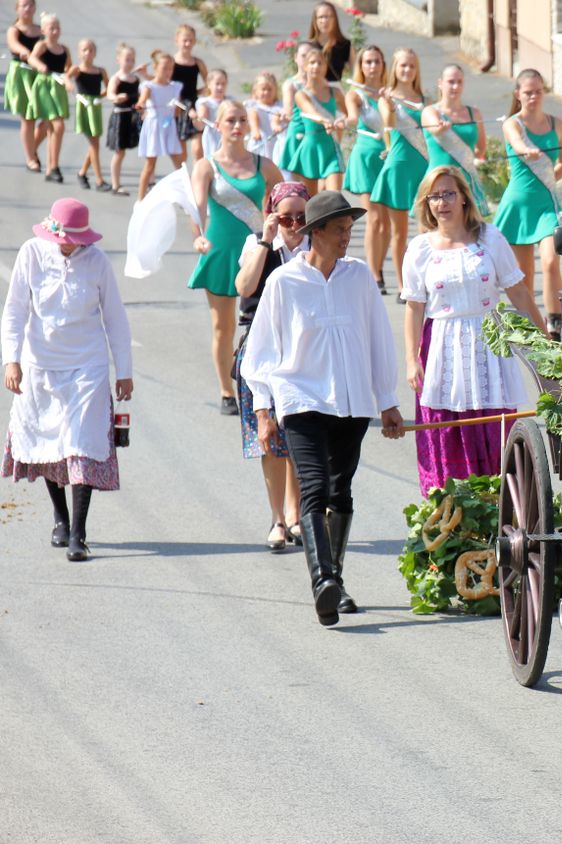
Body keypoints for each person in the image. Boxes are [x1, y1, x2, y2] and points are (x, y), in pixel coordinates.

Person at [242, 191, 403, 626]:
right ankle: (322, 583)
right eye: (339, 230)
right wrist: (262, 412)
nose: (346, 238)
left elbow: (378, 338)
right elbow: (260, 352)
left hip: (351, 403)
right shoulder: (283, 282)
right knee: (313, 488)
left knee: (340, 492)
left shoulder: (359, 278)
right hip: (300, 401)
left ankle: (335, 581)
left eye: (350, 230)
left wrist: (386, 400)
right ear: (315, 233)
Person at [2, 199, 133, 562]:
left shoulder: (97, 262)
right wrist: (11, 361)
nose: (70, 245)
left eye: (76, 240)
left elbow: (115, 318)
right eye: (65, 239)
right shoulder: (32, 253)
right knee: (50, 442)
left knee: (80, 443)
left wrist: (124, 371)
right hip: (41, 365)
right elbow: (14, 309)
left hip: (86, 367)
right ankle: (59, 518)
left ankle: (79, 533)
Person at [403, 166, 545, 496]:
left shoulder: (490, 238)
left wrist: (542, 340)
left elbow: (519, 292)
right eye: (434, 196)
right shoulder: (421, 250)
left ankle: (501, 503)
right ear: (427, 204)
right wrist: (412, 360)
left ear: (464, 198)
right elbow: (414, 307)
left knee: (492, 423)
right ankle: (450, 510)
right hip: (441, 346)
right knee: (447, 425)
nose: (442, 203)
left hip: (488, 345)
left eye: (449, 194)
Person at [188, 100, 283, 415]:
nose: (238, 126)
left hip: (257, 252)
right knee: (223, 326)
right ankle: (227, 390)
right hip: (220, 251)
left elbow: (287, 198)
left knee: (262, 323)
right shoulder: (206, 166)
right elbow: (197, 207)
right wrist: (198, 236)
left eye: (243, 119)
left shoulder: (263, 164)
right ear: (218, 125)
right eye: (230, 120)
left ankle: (262, 386)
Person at [232, 182, 309, 551]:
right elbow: (245, 288)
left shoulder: (316, 247)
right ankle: (278, 518)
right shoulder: (257, 244)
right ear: (272, 215)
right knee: (271, 439)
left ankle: (296, 517)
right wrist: (266, 239)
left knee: (299, 435)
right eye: (286, 217)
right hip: (262, 350)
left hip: (304, 349)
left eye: (301, 217)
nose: (294, 224)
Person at [493, 69, 562, 334]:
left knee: (550, 260)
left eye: (538, 91)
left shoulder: (557, 123)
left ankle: (556, 320)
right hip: (519, 205)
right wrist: (527, 151)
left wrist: (547, 179)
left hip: (546, 203)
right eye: (528, 92)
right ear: (518, 94)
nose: (533, 96)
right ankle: (531, 324)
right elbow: (517, 142)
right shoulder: (512, 123)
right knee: (522, 272)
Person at [370, 47, 427, 304]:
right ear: (395, 69)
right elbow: (389, 124)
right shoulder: (387, 98)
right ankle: (404, 285)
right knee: (400, 232)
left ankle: (425, 280)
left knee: (425, 229)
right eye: (403, 66)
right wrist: (391, 106)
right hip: (398, 167)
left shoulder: (423, 98)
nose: (407, 70)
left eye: (411, 66)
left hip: (422, 166)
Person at [343, 45, 390, 294]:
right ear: (361, 66)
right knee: (374, 217)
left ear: (384, 64)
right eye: (367, 62)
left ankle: (379, 266)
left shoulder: (389, 93)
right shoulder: (356, 94)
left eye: (376, 61)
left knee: (386, 220)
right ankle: (375, 274)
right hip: (367, 156)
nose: (372, 66)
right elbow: (352, 116)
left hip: (389, 156)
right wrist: (345, 121)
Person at [422, 64, 488, 215]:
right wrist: (441, 128)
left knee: (471, 233)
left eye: (459, 82)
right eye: (451, 81)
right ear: (440, 83)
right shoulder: (430, 111)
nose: (455, 86)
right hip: (436, 182)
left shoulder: (474, 114)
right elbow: (434, 128)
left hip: (465, 183)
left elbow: (481, 149)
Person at [284, 48, 345, 194]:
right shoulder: (300, 95)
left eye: (320, 63)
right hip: (310, 148)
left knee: (334, 198)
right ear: (305, 66)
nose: (316, 66)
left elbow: (346, 114)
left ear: (325, 67)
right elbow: (310, 111)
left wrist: (342, 121)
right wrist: (324, 120)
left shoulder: (335, 92)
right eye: (312, 63)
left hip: (330, 148)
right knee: (310, 203)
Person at [135, 51, 185, 200]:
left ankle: (186, 198)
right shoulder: (149, 86)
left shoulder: (175, 87)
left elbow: (177, 111)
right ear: (156, 68)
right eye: (164, 68)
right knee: (150, 164)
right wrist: (140, 105)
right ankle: (140, 200)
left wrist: (178, 110)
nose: (168, 72)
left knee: (180, 165)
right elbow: (142, 100)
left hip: (168, 126)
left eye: (170, 68)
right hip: (154, 126)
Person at [26, 11, 69, 184]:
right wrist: (41, 66)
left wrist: (69, 77)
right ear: (43, 30)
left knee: (50, 127)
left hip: (57, 88)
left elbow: (68, 67)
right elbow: (31, 59)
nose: (55, 31)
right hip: (44, 87)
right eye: (51, 28)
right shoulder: (42, 46)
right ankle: (53, 166)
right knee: (57, 125)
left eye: (57, 28)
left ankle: (46, 162)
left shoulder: (63, 49)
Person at [5, 0, 43, 173]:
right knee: (28, 118)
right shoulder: (14, 30)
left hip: (40, 75)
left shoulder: (40, 30)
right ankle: (30, 159)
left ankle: (31, 147)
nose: (28, 9)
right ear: (17, 9)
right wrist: (26, 53)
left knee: (51, 118)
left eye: (31, 5)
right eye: (24, 5)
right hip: (23, 74)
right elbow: (14, 44)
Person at [68, 37, 109, 191]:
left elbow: (108, 86)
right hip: (84, 106)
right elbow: (67, 77)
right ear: (79, 53)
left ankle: (82, 172)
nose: (88, 53)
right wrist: (69, 85)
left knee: (94, 143)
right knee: (94, 144)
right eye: (84, 50)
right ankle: (99, 180)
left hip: (95, 107)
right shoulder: (77, 69)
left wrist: (102, 96)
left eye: (91, 50)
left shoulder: (100, 71)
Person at [275, 40, 318, 179]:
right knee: (298, 182)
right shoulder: (291, 84)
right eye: (303, 55)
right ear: (295, 58)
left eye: (310, 56)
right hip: (299, 132)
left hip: (318, 133)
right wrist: (283, 116)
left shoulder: (321, 84)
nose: (306, 59)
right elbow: (288, 112)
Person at [104, 43, 140, 196]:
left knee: (139, 149)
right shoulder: (117, 78)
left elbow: (139, 95)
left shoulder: (135, 79)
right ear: (119, 60)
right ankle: (115, 184)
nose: (130, 63)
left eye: (132, 60)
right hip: (120, 116)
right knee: (119, 152)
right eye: (127, 59)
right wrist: (116, 97)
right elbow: (109, 94)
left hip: (132, 116)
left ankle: (149, 181)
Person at [171, 23, 207, 165]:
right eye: (184, 40)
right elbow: (163, 82)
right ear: (177, 41)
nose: (187, 43)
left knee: (197, 147)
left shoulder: (197, 63)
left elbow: (209, 82)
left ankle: (199, 175)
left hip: (194, 104)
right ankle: (182, 177)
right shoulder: (171, 62)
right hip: (177, 105)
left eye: (191, 40)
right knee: (181, 151)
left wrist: (199, 92)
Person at [307, 1, 353, 82]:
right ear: (315, 20)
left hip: (335, 91)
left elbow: (356, 73)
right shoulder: (308, 46)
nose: (325, 21)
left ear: (335, 20)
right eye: (321, 17)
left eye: (330, 16)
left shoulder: (345, 45)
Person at [245, 71, 284, 164]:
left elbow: (278, 116)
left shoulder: (279, 106)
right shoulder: (254, 106)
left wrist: (276, 123)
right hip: (261, 140)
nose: (266, 92)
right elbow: (252, 117)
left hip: (276, 141)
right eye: (263, 89)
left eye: (270, 89)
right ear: (256, 91)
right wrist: (255, 130)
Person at [193, 67, 227, 158]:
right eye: (217, 84)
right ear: (209, 84)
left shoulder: (230, 101)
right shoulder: (204, 102)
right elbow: (200, 125)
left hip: (227, 135)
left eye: (223, 84)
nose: (220, 87)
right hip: (212, 137)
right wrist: (196, 118)